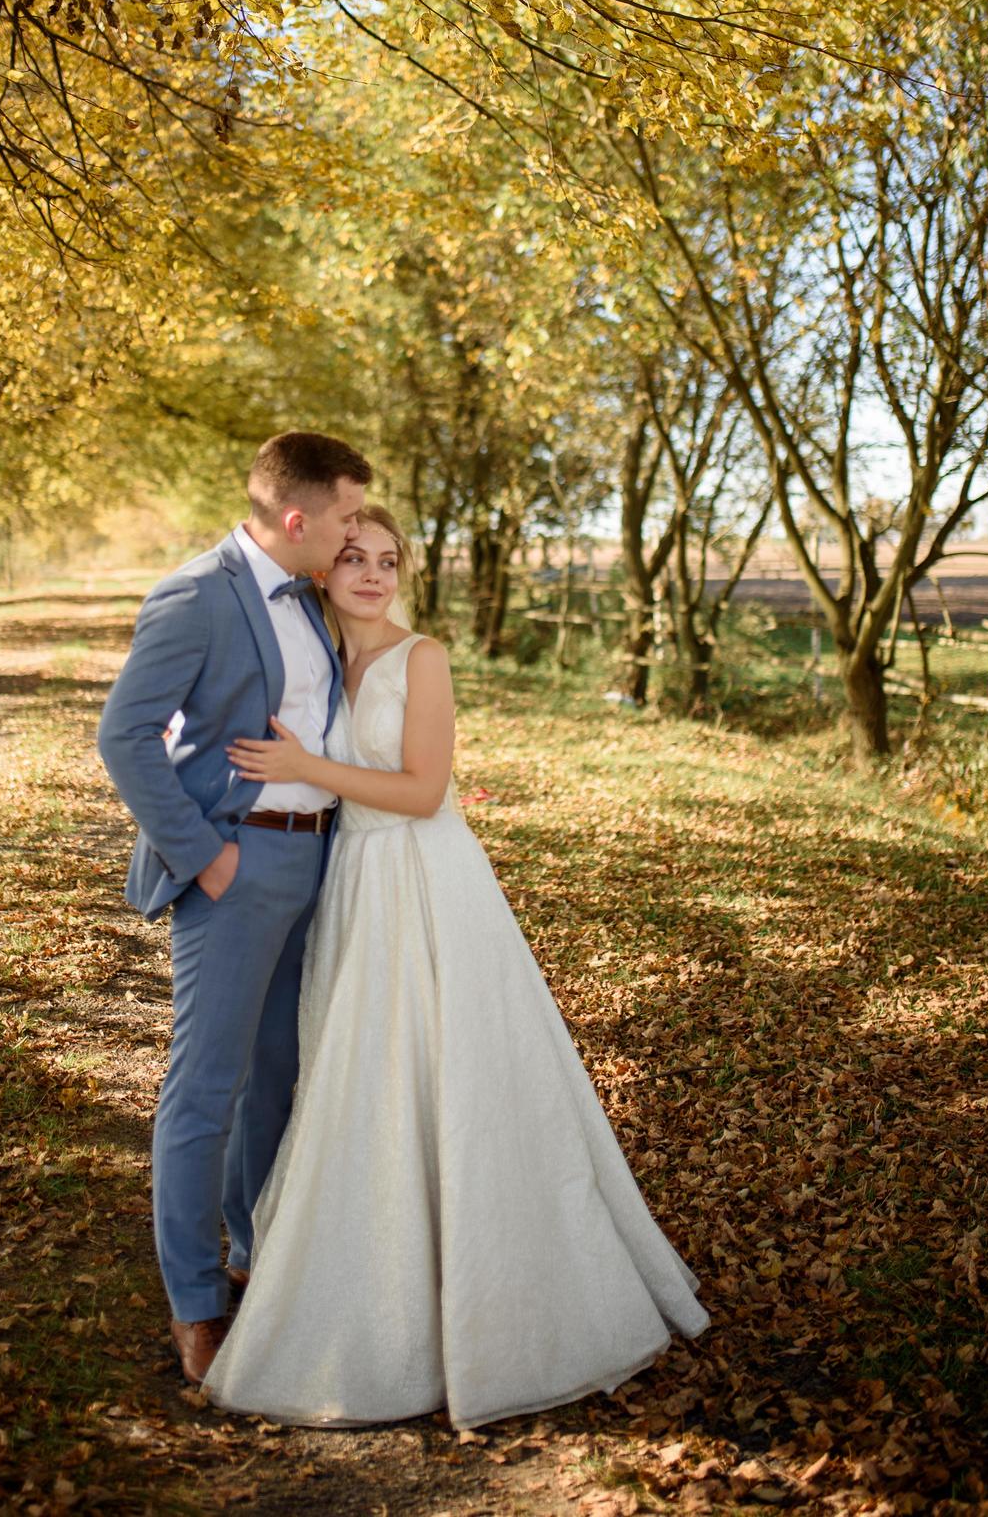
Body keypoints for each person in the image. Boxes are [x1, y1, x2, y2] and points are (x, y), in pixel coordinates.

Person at [205, 506, 709, 1430]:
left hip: (424, 879)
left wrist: (308, 764)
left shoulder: (420, 657)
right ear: (322, 569)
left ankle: (485, 1294)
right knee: (360, 1073)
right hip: (350, 879)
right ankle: (367, 1268)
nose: (371, 575)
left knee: (448, 1069)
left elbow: (424, 791)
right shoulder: (315, 656)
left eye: (388, 560)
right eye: (353, 558)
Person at [97, 430, 372, 1386]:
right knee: (206, 1087)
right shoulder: (198, 594)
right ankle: (196, 1303)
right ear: (296, 519)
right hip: (235, 865)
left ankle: (257, 1255)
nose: (353, 535)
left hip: (315, 865)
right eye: (343, 518)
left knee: (276, 1079)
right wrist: (207, 857)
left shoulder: (315, 599)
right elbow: (125, 736)